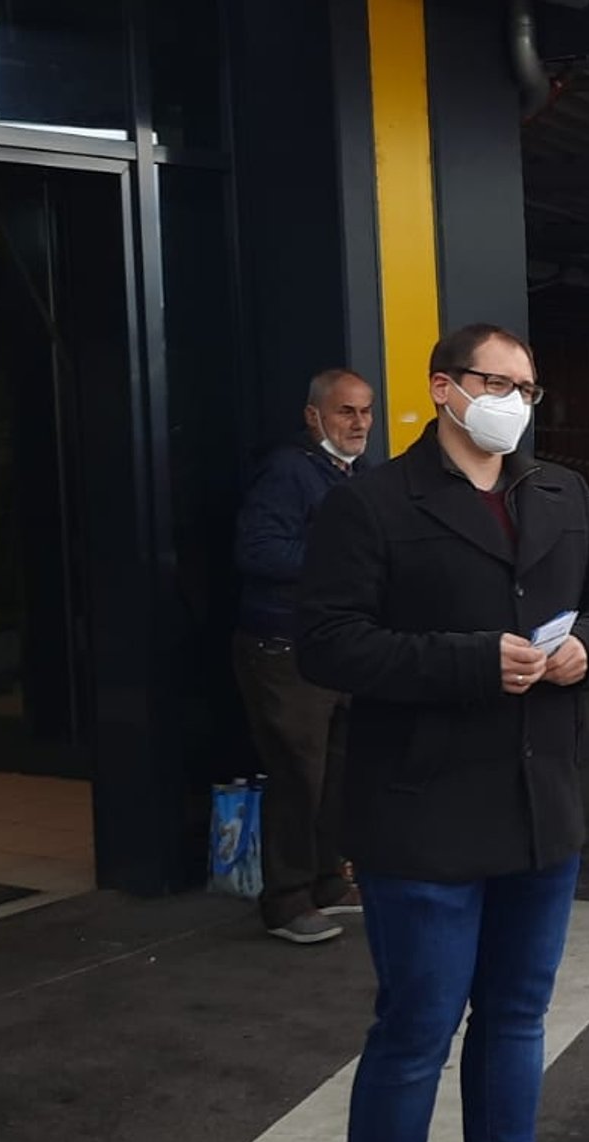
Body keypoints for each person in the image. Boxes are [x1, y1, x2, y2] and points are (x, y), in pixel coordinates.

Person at [295, 323, 589, 1142]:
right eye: (496, 385)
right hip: (423, 813)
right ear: (444, 388)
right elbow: (328, 642)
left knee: (517, 1018)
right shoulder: (372, 503)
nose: (512, 404)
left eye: (526, 390)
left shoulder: (560, 492)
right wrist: (470, 662)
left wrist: (588, 648)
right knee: (418, 1030)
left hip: (540, 807)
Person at [234, 368, 374, 944]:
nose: (360, 423)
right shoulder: (288, 471)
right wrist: (338, 559)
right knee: (298, 775)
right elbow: (258, 550)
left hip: (332, 647)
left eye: (366, 411)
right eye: (346, 412)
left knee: (337, 773)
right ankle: (286, 901)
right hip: (283, 648)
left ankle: (327, 882)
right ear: (314, 416)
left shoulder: (349, 472)